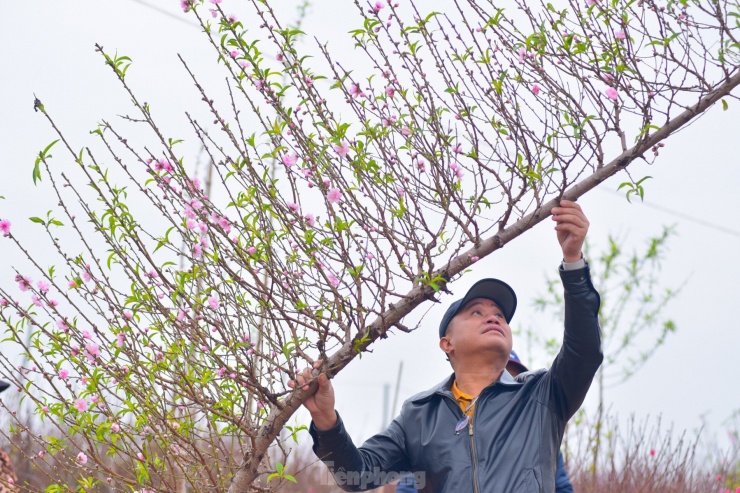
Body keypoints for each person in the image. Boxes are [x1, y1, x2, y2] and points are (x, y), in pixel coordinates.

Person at [292, 200, 602, 492]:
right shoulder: (420, 415)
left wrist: (573, 262)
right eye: (476, 312)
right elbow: (357, 476)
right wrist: (326, 421)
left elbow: (584, 351)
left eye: (499, 315)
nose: (493, 318)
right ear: (447, 343)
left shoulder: (541, 396)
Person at [394, 351, 575, 493]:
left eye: (511, 381)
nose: (502, 388)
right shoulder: (436, 432)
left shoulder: (539, 440)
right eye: (494, 381)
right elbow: (410, 485)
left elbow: (562, 488)